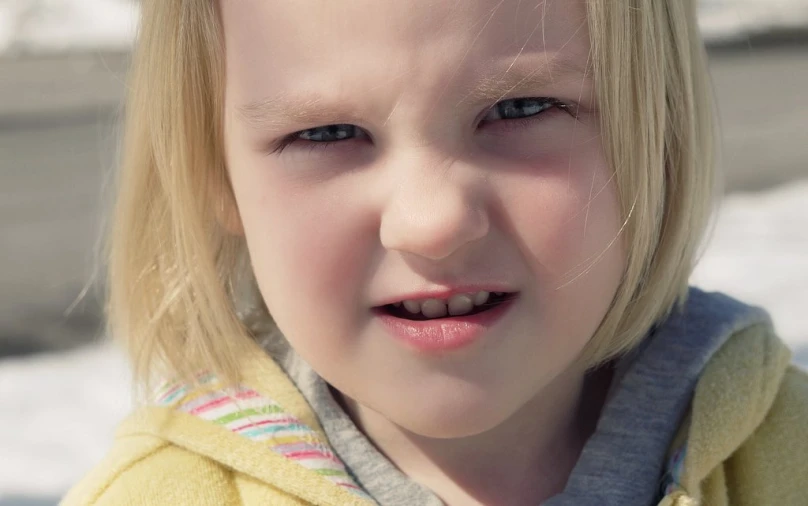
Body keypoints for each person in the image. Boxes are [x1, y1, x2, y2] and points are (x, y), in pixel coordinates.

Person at [63, 0, 808, 505]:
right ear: (212, 174)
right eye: (324, 133)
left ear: (657, 127)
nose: (430, 222)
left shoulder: (781, 452)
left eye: (518, 109)